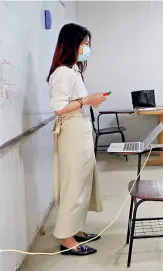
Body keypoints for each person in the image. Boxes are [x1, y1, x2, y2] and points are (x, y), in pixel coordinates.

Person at [48, 23, 106, 256]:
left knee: (84, 182)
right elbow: (60, 108)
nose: (87, 49)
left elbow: (77, 102)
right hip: (71, 133)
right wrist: (87, 101)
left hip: (80, 131)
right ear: (71, 45)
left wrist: (92, 99)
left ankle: (77, 230)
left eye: (88, 45)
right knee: (74, 184)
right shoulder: (62, 73)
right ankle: (66, 239)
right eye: (84, 44)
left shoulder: (74, 71)